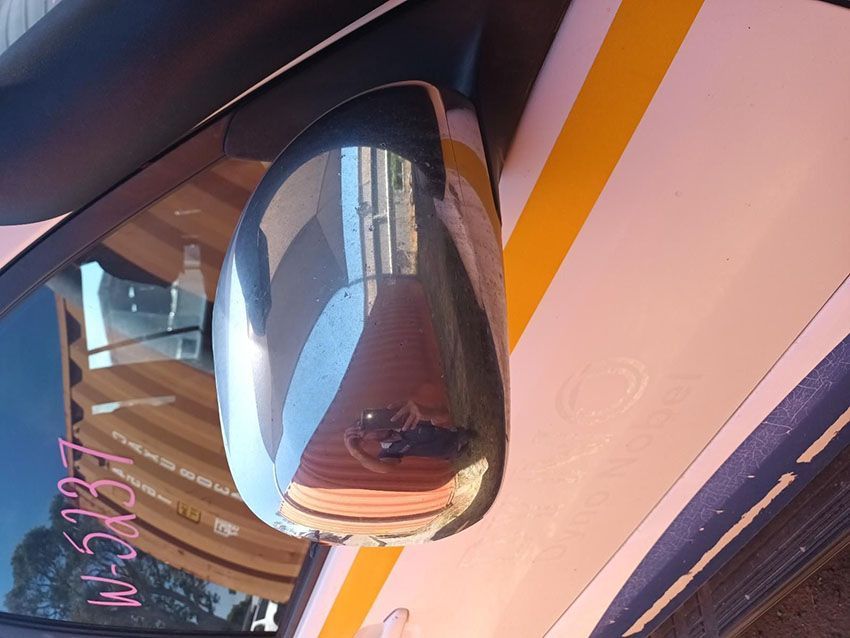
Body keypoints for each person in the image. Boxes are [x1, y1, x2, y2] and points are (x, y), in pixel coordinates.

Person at [343, 399, 470, 474]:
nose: (373, 430)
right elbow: (386, 468)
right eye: (365, 431)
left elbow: (444, 417)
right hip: (453, 454)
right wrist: (357, 453)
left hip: (458, 435)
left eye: (371, 424)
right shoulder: (389, 450)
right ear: (366, 441)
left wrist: (427, 411)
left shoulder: (405, 419)